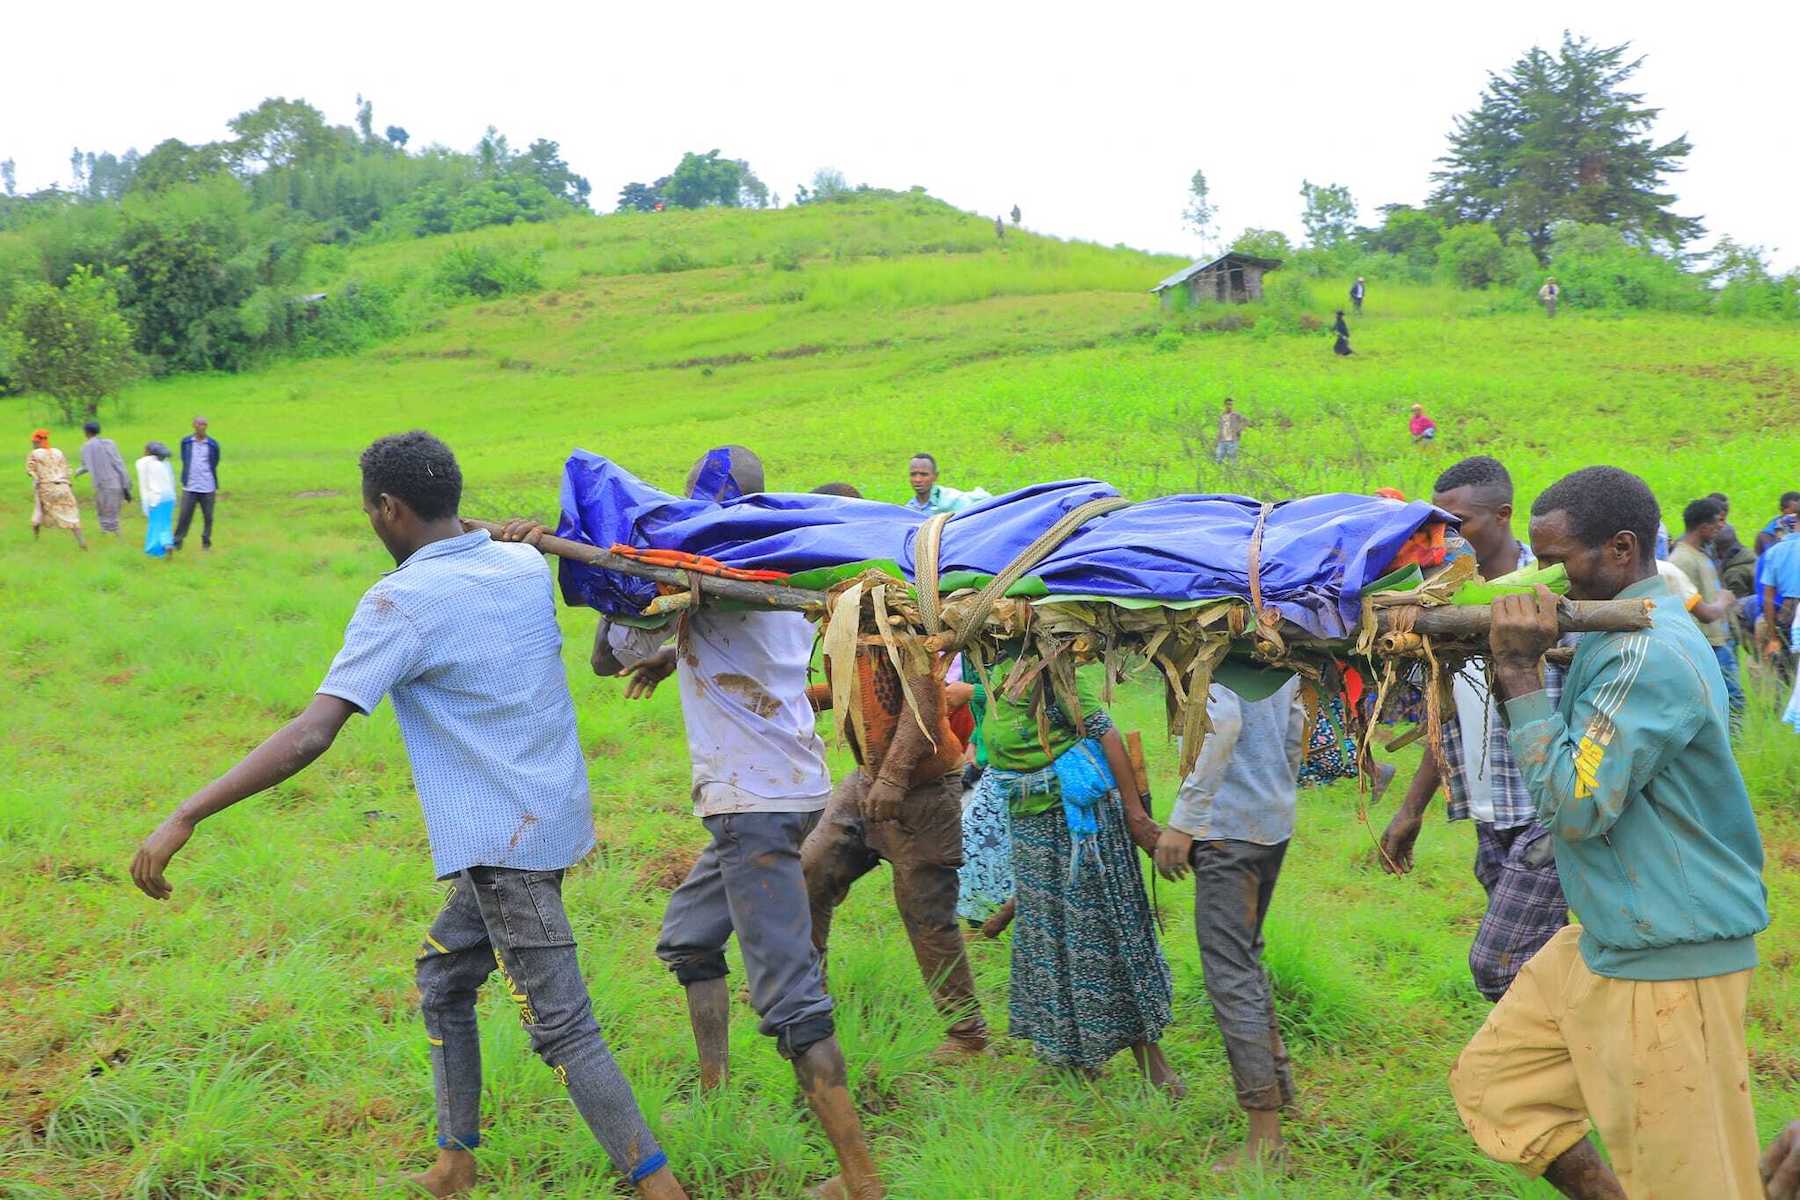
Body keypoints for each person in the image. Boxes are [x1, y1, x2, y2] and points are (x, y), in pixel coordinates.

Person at [128, 432, 687, 1200]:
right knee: (444, 976)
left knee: (563, 1029)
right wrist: (508, 528)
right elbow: (489, 539)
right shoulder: (523, 564)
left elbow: (311, 733)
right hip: (551, 817)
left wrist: (187, 813)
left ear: (389, 508)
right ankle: (454, 1164)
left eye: (369, 510)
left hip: (503, 846)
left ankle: (662, 1189)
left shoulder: (401, 602)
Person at [554, 445, 885, 1200]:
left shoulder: (701, 574)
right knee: (688, 939)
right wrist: (678, 652)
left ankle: (861, 1178)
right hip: (790, 790)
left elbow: (610, 656)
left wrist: (624, 597)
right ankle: (714, 1085)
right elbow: (740, 631)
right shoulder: (781, 569)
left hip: (754, 807)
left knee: (791, 998)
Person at [1449, 465, 1769, 1199]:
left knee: (1694, 1184)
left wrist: (1520, 671)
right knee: (1501, 1084)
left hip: (1670, 954)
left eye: (1558, 560)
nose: (1545, 578)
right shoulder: (1609, 629)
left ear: (1622, 550)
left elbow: (1574, 804)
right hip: (1606, 934)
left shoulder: (1647, 652)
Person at [1380, 456, 1568, 1001]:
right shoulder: (1441, 595)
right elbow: (1449, 716)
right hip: (1489, 810)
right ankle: (1564, 1069)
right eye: (1440, 523)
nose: (1447, 535)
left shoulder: (1553, 591)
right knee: (1539, 966)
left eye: (1459, 522)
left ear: (1503, 515)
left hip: (1549, 810)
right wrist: (1411, 810)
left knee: (1497, 965)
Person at [984, 651, 1181, 1093]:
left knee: (1100, 935)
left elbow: (1106, 733)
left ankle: (1156, 1067)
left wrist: (1136, 817)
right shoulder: (996, 670)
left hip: (1078, 829)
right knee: (1051, 937)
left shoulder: (1052, 675)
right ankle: (1073, 1056)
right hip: (1031, 825)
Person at [801, 633, 989, 1060]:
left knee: (925, 910)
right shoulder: (849, 629)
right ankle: (805, 997)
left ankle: (967, 1033)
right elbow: (859, 689)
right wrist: (796, 698)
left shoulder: (903, 630)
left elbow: (923, 702)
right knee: (811, 867)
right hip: (867, 779)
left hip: (923, 789)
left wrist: (894, 777)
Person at [1154, 678, 1307, 1171]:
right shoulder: (1272, 646)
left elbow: (1222, 723)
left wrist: (1183, 822)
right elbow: (1296, 722)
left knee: (1230, 974)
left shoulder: (1209, 641)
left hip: (1228, 830)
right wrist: (1281, 789)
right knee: (1246, 958)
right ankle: (1282, 1092)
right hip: (1270, 821)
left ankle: (1265, 1137)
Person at [1669, 496, 1744, 722]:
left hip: (1717, 641)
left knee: (1730, 700)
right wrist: (1723, 600)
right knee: (1732, 700)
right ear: (1702, 527)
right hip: (1705, 644)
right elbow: (1689, 608)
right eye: (1716, 523)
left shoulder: (1701, 555)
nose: (1721, 527)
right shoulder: (1681, 560)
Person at [26, 429, 86, 549]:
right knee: (71, 515)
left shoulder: (34, 454)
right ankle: (82, 542)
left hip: (46, 488)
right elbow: (68, 469)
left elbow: (30, 471)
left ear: (37, 443)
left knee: (38, 512)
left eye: (34, 442)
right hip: (64, 487)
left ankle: (35, 541)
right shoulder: (58, 452)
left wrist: (36, 478)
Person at [76, 420, 132, 534]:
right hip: (117, 483)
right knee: (113, 513)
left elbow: (86, 466)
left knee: (103, 512)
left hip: (102, 484)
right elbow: (119, 464)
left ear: (86, 432)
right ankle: (113, 536)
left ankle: (109, 535)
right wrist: (126, 483)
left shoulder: (85, 447)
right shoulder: (110, 443)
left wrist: (77, 472)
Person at [174, 416, 221, 550]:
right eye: (199, 424)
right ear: (193, 425)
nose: (202, 427)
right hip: (190, 486)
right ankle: (178, 542)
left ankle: (206, 543)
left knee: (208, 517)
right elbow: (185, 459)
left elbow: (215, 462)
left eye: (204, 424)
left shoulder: (212, 444)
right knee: (184, 516)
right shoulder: (186, 442)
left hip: (207, 486)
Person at [905, 453, 988, 515]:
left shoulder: (953, 500)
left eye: (924, 475)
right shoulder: (909, 509)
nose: (917, 479)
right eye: (913, 474)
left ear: (935, 476)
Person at [136, 441, 176, 558]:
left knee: (155, 524)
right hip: (169, 497)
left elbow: (144, 486)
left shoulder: (143, 463)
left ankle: (154, 551)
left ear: (148, 451)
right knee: (165, 524)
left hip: (156, 498)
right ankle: (167, 543)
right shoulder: (165, 462)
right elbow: (172, 480)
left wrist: (145, 505)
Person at [1214, 397, 1250, 463]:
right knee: (1218, 459)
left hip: (1233, 441)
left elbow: (1246, 421)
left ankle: (1233, 472)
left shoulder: (1236, 415)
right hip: (1222, 441)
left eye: (1231, 404)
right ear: (1224, 405)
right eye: (1228, 404)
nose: (1229, 406)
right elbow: (1220, 429)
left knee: (1233, 460)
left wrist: (1239, 429)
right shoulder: (1221, 416)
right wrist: (1216, 440)